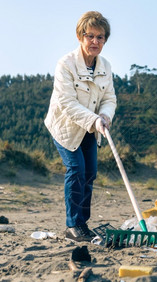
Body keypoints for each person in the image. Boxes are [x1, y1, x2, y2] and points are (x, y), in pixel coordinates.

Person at [44, 11, 117, 242]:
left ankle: (82, 224)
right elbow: (67, 102)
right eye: (90, 36)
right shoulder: (65, 64)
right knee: (76, 170)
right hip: (65, 126)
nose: (95, 41)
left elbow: (109, 99)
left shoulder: (105, 66)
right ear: (80, 36)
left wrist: (104, 116)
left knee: (90, 173)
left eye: (100, 37)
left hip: (91, 128)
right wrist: (94, 119)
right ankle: (73, 226)